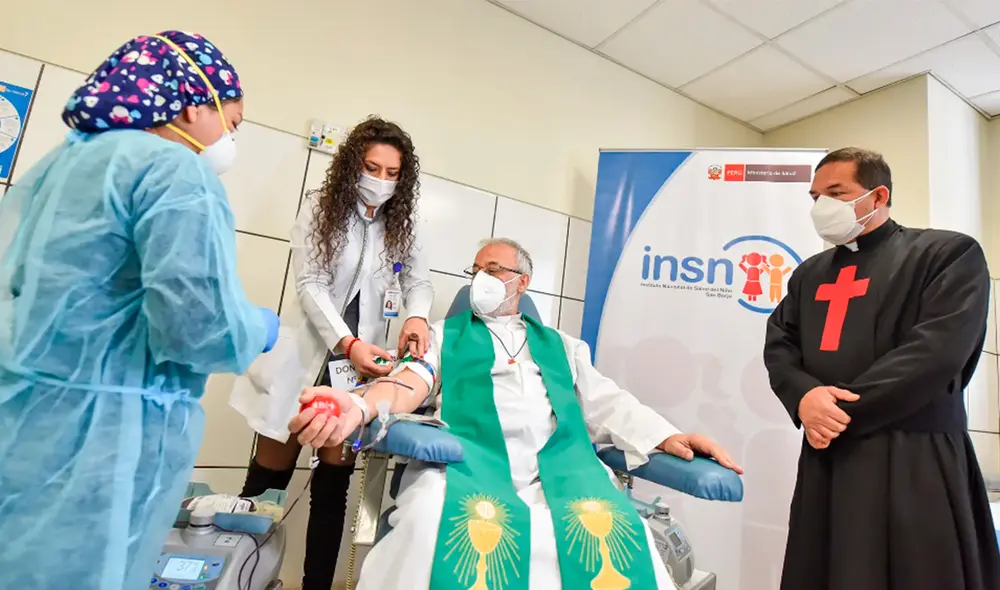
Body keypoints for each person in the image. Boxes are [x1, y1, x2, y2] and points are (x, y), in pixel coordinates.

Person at [286, 237, 742, 590]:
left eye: (493, 269)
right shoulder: (444, 335)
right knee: (427, 528)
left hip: (559, 475)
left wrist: (666, 436)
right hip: (469, 466)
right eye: (476, 269)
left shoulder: (563, 346)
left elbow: (609, 401)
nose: (479, 278)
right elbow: (408, 383)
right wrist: (360, 404)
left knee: (625, 533)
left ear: (522, 281)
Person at [0, 31, 278, 590]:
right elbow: (199, 329)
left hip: (22, 423)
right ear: (195, 103)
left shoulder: (58, 168)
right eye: (233, 121)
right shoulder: (175, 172)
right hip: (101, 442)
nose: (229, 137)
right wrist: (258, 327)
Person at [764, 147, 1000, 590]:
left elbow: (936, 352)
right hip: (830, 457)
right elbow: (780, 344)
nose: (822, 206)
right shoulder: (809, 275)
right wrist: (803, 397)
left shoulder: (947, 253)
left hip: (916, 456)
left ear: (877, 196)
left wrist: (833, 412)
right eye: (815, 196)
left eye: (836, 192)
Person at [229, 116, 432, 590]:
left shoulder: (402, 227)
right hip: (305, 364)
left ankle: (315, 584)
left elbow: (418, 281)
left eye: (392, 172)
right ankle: (240, 578)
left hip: (351, 380)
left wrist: (417, 315)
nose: (381, 180)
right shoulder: (321, 208)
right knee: (265, 485)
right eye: (371, 167)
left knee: (331, 492)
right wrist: (349, 342)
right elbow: (310, 283)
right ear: (351, 165)